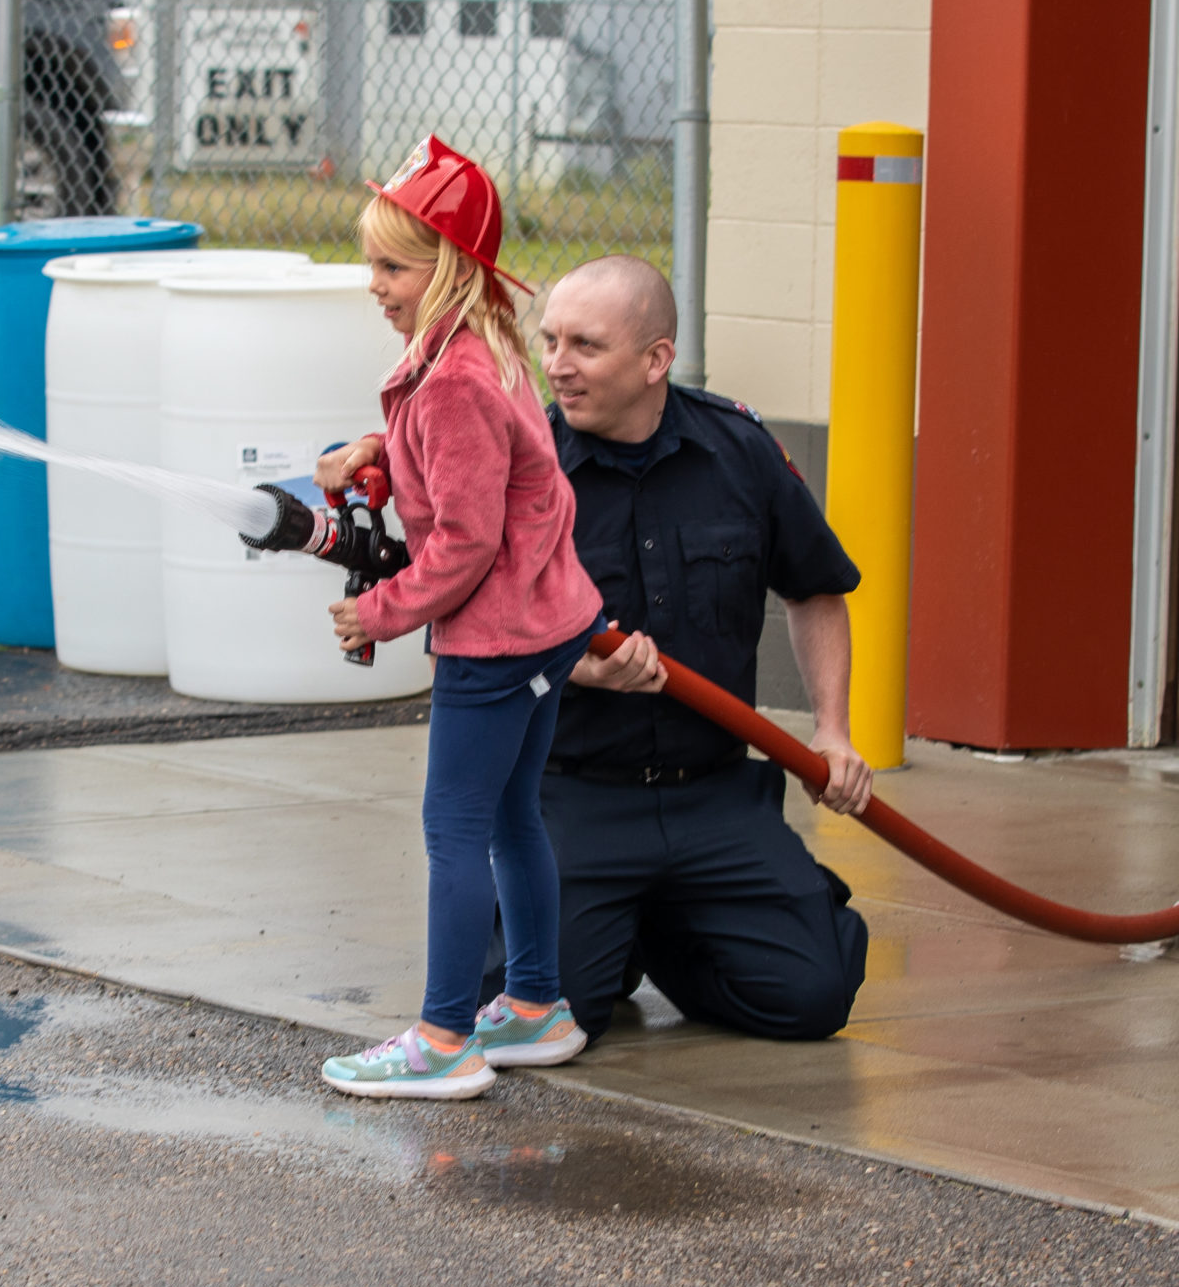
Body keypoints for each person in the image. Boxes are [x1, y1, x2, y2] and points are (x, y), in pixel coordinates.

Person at [311, 136, 605, 1100]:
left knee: (455, 824)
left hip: (500, 636)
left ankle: (443, 1036)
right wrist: (381, 459)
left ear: (451, 268)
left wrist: (377, 612)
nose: (375, 285)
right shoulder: (475, 352)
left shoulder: (454, 382)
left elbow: (466, 544)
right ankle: (534, 1006)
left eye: (393, 266)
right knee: (513, 813)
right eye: (373, 264)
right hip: (544, 624)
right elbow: (471, 470)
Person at [531, 253, 871, 1045]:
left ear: (656, 360)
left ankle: (654, 926)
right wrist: (579, 666)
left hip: (712, 799)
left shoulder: (740, 452)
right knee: (548, 1021)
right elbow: (473, 636)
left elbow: (816, 587)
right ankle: (604, 932)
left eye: (585, 345)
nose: (557, 366)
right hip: (577, 795)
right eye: (549, 341)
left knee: (812, 997)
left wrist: (833, 729)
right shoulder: (525, 467)